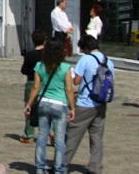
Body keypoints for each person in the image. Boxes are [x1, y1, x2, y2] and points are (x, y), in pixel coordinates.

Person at [24, 36, 76, 174]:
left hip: (43, 103)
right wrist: (72, 108)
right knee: (59, 139)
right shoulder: (65, 67)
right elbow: (69, 90)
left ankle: (40, 168)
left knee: (41, 136)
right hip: (60, 104)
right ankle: (59, 169)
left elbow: (36, 87)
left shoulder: (40, 66)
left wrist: (29, 104)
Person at [65, 34, 114, 174]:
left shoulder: (85, 59)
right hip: (101, 103)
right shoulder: (108, 61)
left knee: (72, 136)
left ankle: (61, 165)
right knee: (97, 138)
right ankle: (95, 168)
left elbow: (76, 81)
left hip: (85, 103)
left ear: (86, 47)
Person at [19, 30, 47, 143]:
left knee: (29, 107)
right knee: (46, 108)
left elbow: (24, 70)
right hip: (45, 83)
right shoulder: (47, 54)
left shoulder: (30, 55)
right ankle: (50, 132)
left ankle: (29, 134)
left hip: (31, 82)